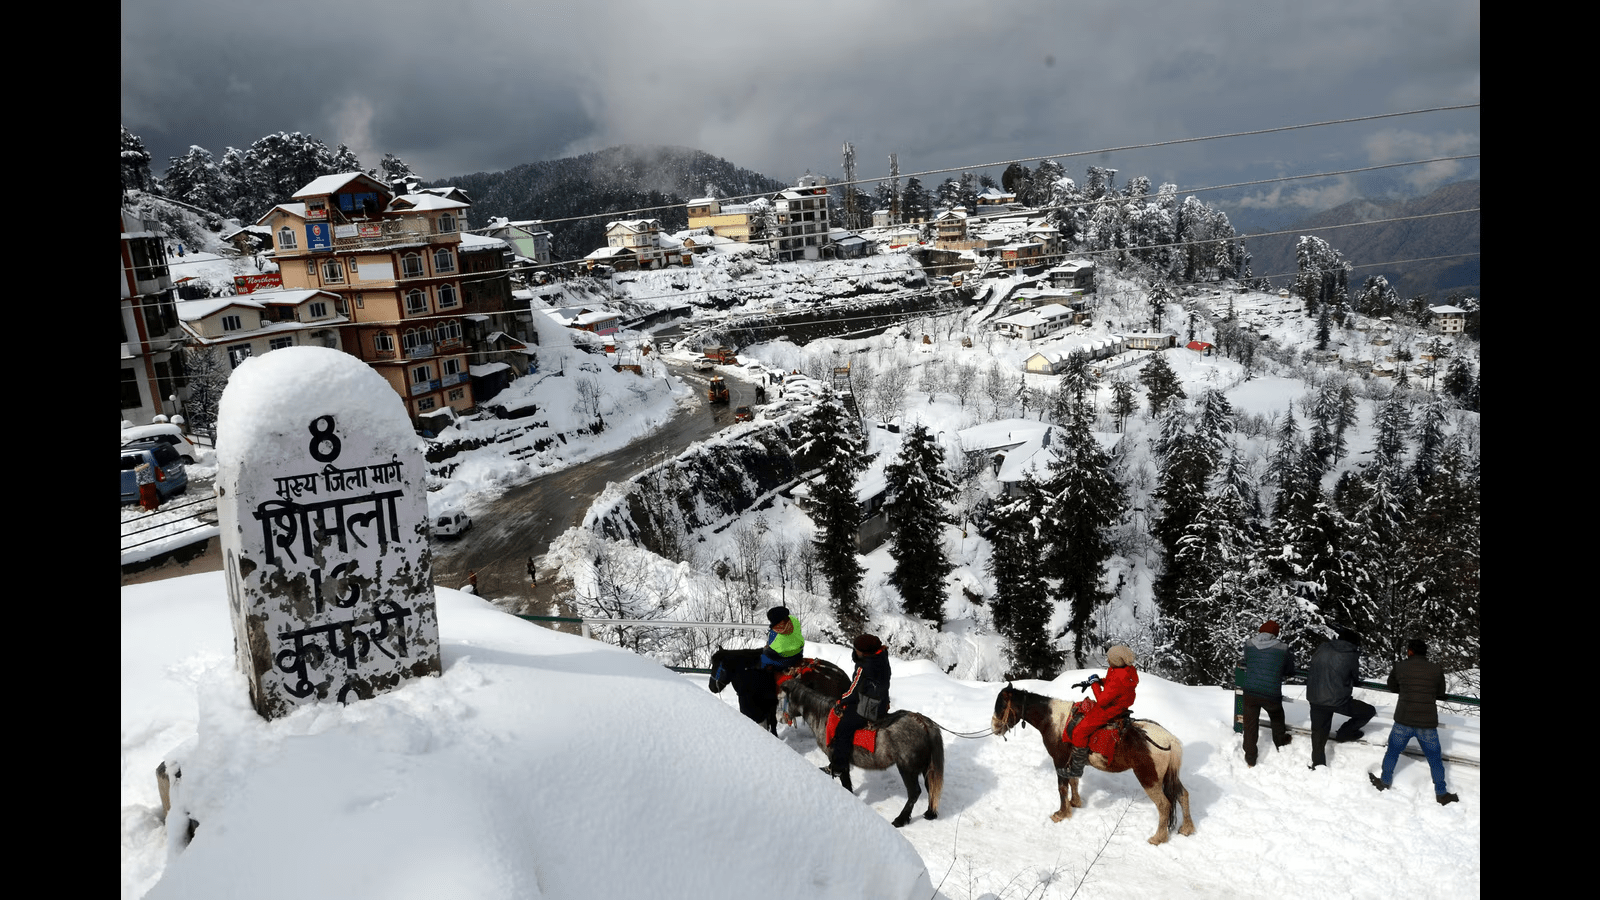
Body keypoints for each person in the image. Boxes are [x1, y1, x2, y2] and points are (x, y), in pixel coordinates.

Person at [1369, 639, 1459, 805]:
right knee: (1435, 759)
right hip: (1427, 722)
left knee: (1392, 752)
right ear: (1425, 653)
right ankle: (1441, 793)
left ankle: (1384, 781)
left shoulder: (1400, 667)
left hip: (1404, 719)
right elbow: (1440, 692)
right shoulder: (1435, 669)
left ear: (1410, 651)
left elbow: (1392, 686)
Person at [822, 634, 891, 780]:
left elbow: (854, 690)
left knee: (843, 729)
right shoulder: (882, 656)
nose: (855, 650)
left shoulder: (864, 665)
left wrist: (842, 700)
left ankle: (838, 767)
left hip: (868, 707)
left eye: (856, 649)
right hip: (882, 702)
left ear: (864, 652)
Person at [1063, 645, 1139, 779]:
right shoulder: (1125, 670)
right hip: (1119, 705)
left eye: (1110, 658)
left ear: (1116, 660)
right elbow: (1112, 684)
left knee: (1079, 731)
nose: (1108, 660)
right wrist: (1099, 681)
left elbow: (1102, 700)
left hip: (1109, 709)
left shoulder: (1118, 676)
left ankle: (1076, 769)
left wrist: (1094, 684)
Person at [1306, 626, 1375, 769]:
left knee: (1319, 732)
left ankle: (1318, 764)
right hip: (1338, 700)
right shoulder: (1351, 654)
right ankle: (1345, 733)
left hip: (1315, 696)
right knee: (1368, 711)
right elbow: (1355, 677)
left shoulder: (1323, 647)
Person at [1238, 620, 1295, 767]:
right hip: (1271, 693)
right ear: (1275, 634)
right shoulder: (1283, 647)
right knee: (1277, 717)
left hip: (1250, 692)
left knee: (1250, 725)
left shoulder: (1249, 644)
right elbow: (1289, 669)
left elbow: (1247, 660)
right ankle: (1280, 743)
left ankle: (1250, 758)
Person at [758, 606, 804, 671]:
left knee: (764, 656)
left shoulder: (774, 634)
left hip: (786, 660)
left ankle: (763, 675)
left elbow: (770, 646)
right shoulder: (794, 620)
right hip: (799, 653)